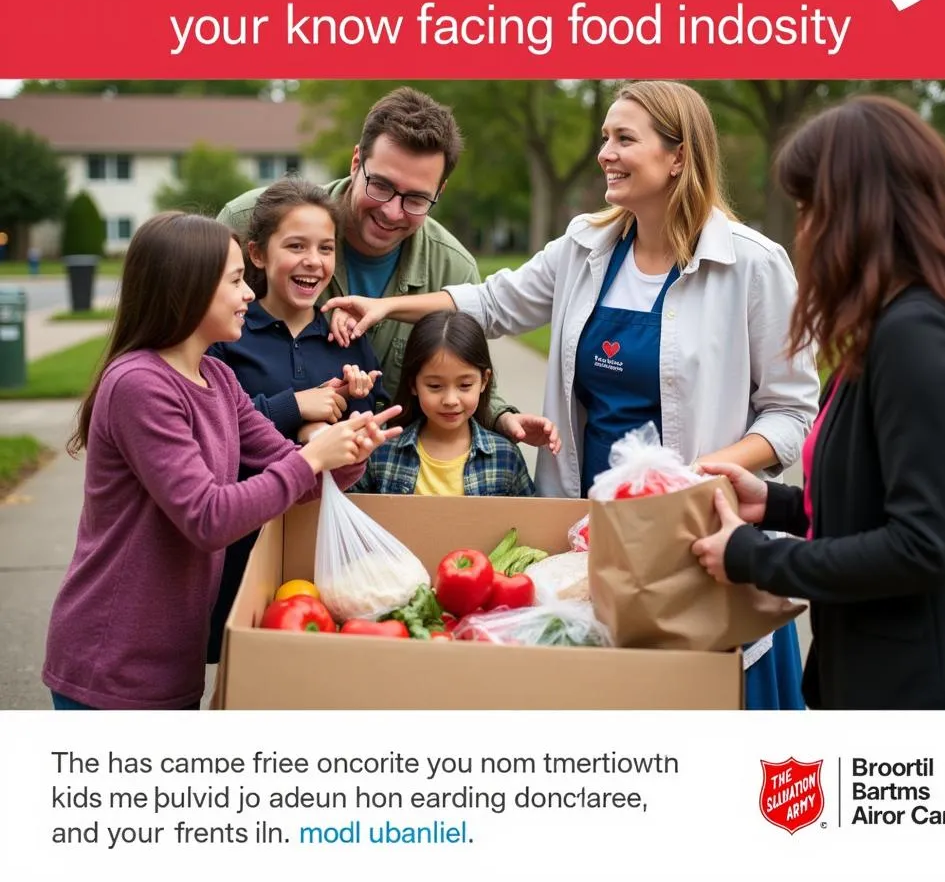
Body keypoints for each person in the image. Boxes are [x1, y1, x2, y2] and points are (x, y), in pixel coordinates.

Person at [324, 80, 821, 709]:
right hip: (582, 541)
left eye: (623, 139)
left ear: (677, 156)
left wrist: (697, 475)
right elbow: (492, 302)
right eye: (604, 138)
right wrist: (386, 305)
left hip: (690, 537)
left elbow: (790, 410)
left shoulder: (753, 265)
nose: (605, 153)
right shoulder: (586, 247)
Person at [691, 94, 945, 710]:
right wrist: (779, 504)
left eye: (809, 209)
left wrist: (752, 556)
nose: (805, 229)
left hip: (928, 691)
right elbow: (885, 491)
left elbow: (921, 546)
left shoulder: (917, 337)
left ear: (857, 212)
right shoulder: (893, 325)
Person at [42, 212, 401, 710]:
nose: (249, 295)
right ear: (186, 290)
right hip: (112, 660)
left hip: (173, 659)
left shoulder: (217, 378)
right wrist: (311, 460)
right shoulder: (139, 386)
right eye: (236, 280)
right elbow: (208, 517)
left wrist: (344, 456)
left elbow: (296, 475)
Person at [216, 86, 557, 454]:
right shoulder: (249, 220)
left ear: (439, 191)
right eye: (381, 186)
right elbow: (186, 348)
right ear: (356, 162)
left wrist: (501, 417)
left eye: (416, 199)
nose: (392, 212)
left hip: (385, 478)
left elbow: (460, 374)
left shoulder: (453, 268)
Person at [204, 178, 388, 665]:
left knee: (316, 662)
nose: (314, 260)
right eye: (296, 246)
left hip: (324, 536)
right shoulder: (230, 335)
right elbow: (219, 431)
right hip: (243, 535)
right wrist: (296, 405)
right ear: (258, 256)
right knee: (239, 657)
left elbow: (382, 425)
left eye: (325, 248)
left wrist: (356, 402)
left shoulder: (345, 336)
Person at [351, 310, 539, 497]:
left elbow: (527, 521)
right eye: (435, 386)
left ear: (484, 380)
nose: (450, 400)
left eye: (465, 385)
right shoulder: (382, 451)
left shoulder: (505, 457)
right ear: (413, 384)